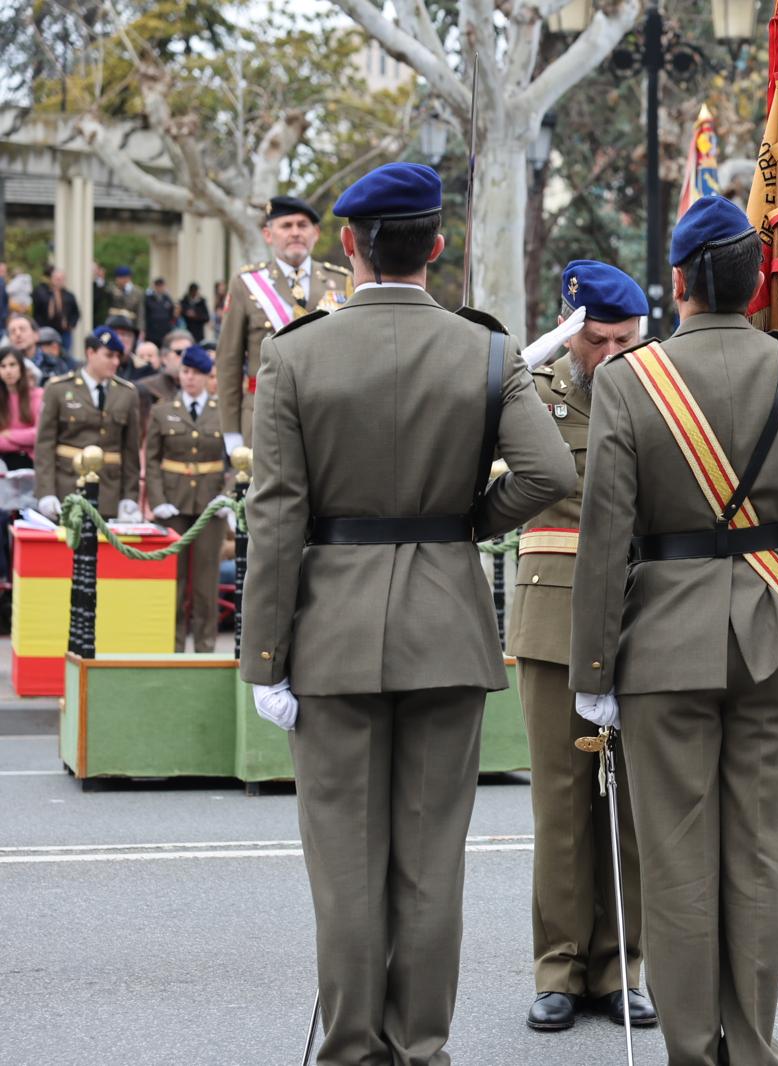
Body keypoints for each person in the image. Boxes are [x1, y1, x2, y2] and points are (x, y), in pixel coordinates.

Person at [240, 162, 575, 1066]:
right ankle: (420, 1048)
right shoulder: (489, 350)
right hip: (447, 624)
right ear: (437, 246)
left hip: (333, 631)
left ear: (347, 245)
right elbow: (550, 475)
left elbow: (274, 519)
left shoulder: (296, 352)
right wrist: (467, 521)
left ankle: (351, 1050)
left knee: (347, 864)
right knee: (431, 865)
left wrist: (262, 658)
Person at [569, 194, 778, 1066]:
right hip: (770, 630)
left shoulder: (629, 378)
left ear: (677, 283)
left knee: (675, 864)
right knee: (759, 860)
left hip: (661, 639)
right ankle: (752, 1046)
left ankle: (689, 1048)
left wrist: (591, 670)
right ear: (757, 287)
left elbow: (605, 535)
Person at [506, 260, 654, 1035]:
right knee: (562, 802)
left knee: (630, 805)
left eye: (625, 339)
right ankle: (559, 967)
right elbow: (468, 424)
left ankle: (621, 965)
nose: (611, 354)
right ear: (571, 334)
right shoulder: (534, 390)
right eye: (596, 339)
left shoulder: (657, 390)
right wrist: (528, 358)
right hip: (554, 610)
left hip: (639, 609)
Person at [217, 195, 354, 449]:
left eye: (302, 225)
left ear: (316, 233)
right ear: (268, 235)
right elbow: (229, 361)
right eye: (286, 226)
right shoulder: (246, 284)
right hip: (263, 411)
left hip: (327, 414)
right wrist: (231, 431)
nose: (295, 233)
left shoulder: (343, 280)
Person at [145, 347, 228, 652]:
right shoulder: (163, 410)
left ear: (208, 376)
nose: (189, 378)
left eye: (195, 373)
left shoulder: (223, 412)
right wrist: (157, 500)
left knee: (206, 583)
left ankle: (205, 648)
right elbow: (152, 460)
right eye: (185, 372)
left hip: (210, 504)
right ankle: (172, 648)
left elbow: (236, 460)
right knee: (173, 582)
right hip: (173, 502)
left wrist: (226, 496)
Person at [34, 325, 140, 522]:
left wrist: (129, 497)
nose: (115, 362)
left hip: (109, 492)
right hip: (67, 487)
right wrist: (46, 492)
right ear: (90, 353)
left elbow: (130, 451)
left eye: (118, 356)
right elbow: (45, 446)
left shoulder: (127, 393)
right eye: (109, 355)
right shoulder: (58, 388)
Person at [0, 348, 42, 469]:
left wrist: (8, 434)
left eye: (12, 365)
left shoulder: (38, 395)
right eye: (3, 366)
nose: (8, 371)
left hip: (31, 463)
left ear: (21, 368)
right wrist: (24, 443)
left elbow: (39, 434)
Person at [32, 268, 80, 353]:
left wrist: (71, 325)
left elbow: (76, 313)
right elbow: (36, 312)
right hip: (46, 329)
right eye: (57, 279)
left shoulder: (69, 295)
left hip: (64, 331)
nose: (59, 281)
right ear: (51, 279)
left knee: (65, 353)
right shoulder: (42, 293)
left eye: (61, 279)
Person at [107, 266, 144, 337]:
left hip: (131, 324)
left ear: (127, 278)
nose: (117, 280)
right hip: (114, 324)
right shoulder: (112, 289)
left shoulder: (137, 292)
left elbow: (140, 312)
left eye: (119, 278)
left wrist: (140, 329)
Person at [143, 277, 176, 347]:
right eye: (158, 286)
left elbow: (171, 314)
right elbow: (145, 314)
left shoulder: (167, 299)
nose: (160, 288)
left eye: (161, 286)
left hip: (164, 331)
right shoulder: (148, 298)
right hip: (152, 332)